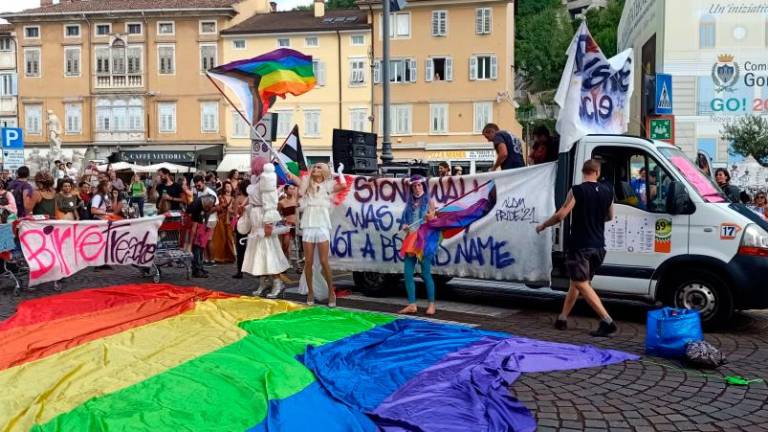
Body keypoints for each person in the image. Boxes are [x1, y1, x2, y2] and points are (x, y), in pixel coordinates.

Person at [536, 160, 617, 337]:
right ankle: (562, 318)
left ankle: (607, 320)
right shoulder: (608, 191)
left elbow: (561, 215)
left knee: (581, 282)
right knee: (577, 282)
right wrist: (595, 220)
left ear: (583, 171)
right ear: (597, 172)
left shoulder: (577, 190)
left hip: (580, 245)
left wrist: (543, 225)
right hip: (598, 246)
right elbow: (610, 216)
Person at [288, 162, 347, 305]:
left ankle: (331, 292)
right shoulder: (306, 184)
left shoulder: (328, 185)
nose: (315, 168)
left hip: (322, 225)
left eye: (319, 167)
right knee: (308, 262)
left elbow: (343, 186)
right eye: (314, 167)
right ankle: (311, 292)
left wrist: (339, 172)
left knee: (324, 261)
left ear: (325, 172)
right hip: (308, 225)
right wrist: (290, 175)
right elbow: (294, 178)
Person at [243, 162, 290, 297]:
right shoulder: (257, 179)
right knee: (259, 254)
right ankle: (264, 283)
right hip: (256, 217)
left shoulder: (266, 179)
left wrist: (269, 223)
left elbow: (270, 202)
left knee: (269, 252)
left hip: (263, 217)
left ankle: (277, 283)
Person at [398, 175, 438, 316]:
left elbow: (435, 222)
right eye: (414, 186)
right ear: (411, 188)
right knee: (408, 273)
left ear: (423, 186)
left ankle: (432, 304)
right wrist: (404, 226)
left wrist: (431, 218)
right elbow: (404, 221)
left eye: (419, 185)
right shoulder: (408, 204)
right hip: (410, 240)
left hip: (424, 241)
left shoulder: (430, 202)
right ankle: (412, 304)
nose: (417, 188)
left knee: (426, 274)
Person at [187, 195, 217, 278]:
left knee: (201, 249)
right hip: (196, 228)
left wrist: (206, 224)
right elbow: (193, 227)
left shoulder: (209, 200)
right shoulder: (196, 207)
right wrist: (190, 243)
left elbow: (207, 212)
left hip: (201, 226)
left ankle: (200, 267)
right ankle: (196, 270)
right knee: (196, 249)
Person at [211, 181, 236, 263]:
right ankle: (219, 257)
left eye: (229, 186)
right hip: (221, 219)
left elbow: (235, 211)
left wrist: (231, 211)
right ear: (224, 188)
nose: (228, 188)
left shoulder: (234, 198)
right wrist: (223, 206)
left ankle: (230, 257)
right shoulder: (220, 197)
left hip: (230, 220)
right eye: (226, 186)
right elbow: (217, 208)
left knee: (229, 238)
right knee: (221, 238)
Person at [278, 182, 300, 274]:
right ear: (286, 190)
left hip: (296, 224)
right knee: (285, 244)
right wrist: (282, 219)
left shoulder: (296, 200)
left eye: (293, 188)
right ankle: (285, 262)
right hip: (287, 224)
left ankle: (299, 265)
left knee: (298, 245)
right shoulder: (281, 202)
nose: (292, 190)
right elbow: (278, 213)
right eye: (290, 188)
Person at [232, 178, 250, 279]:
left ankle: (240, 271)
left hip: (241, 225)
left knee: (240, 249)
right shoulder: (253, 198)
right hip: (252, 225)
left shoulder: (238, 199)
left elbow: (236, 214)